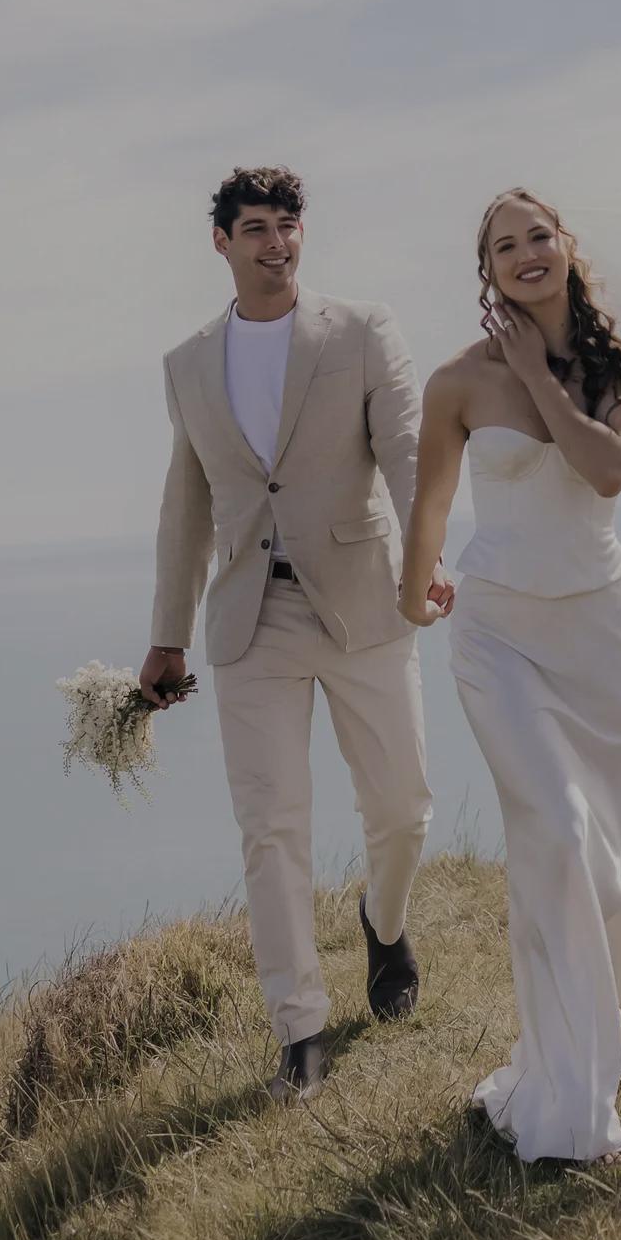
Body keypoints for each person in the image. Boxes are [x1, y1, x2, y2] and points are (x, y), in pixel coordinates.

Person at [141, 165, 452, 1102]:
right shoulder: (188, 362)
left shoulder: (360, 331)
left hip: (364, 600)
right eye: (256, 228)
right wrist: (165, 635)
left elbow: (405, 450)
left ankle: (383, 921)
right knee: (270, 828)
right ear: (222, 243)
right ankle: (301, 1034)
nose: (276, 242)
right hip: (250, 618)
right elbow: (186, 505)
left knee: (402, 810)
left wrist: (426, 559)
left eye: (288, 224)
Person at [399, 188, 621, 1167]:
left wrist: (536, 374)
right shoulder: (455, 383)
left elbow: (606, 472)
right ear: (487, 271)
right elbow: (428, 505)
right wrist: (410, 588)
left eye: (536, 236)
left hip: (599, 637)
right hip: (498, 635)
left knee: (606, 875)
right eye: (503, 246)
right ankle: (566, 1098)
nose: (524, 255)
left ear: (565, 246)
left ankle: (586, 1049)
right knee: (552, 827)